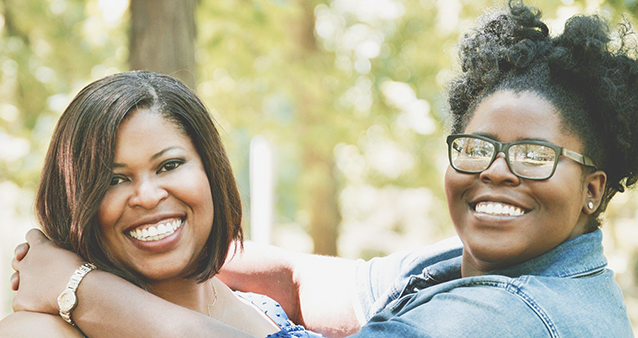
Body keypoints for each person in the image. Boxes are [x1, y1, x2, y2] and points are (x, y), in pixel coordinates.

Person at [8, 0, 638, 336]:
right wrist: (164, 234)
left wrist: (79, 287)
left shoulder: (525, 317)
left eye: (534, 155)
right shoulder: (460, 263)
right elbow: (300, 281)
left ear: (591, 189)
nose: (498, 173)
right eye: (477, 148)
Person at [0, 71, 320, 337]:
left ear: (211, 171)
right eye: (114, 180)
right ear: (73, 202)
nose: (149, 196)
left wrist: (79, 286)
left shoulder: (266, 308)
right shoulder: (38, 332)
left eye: (169, 165)